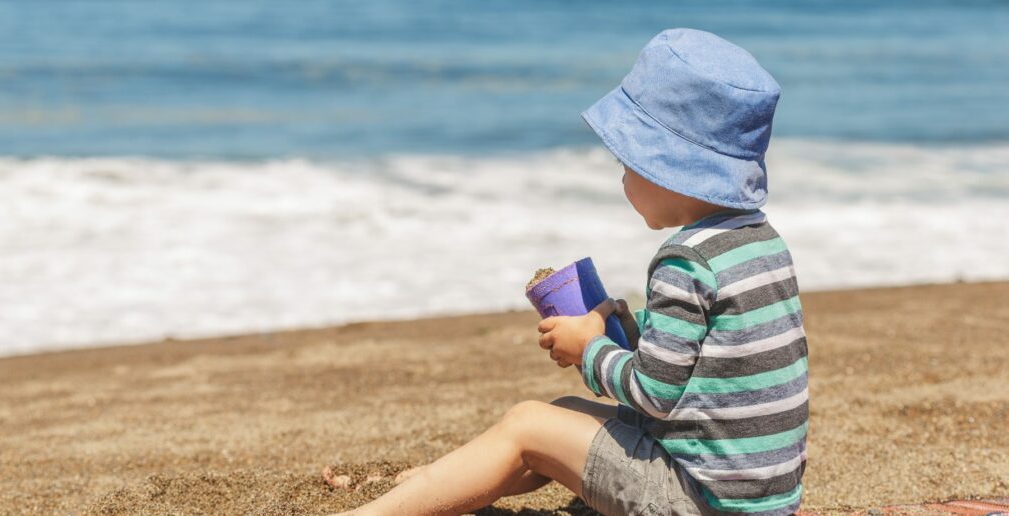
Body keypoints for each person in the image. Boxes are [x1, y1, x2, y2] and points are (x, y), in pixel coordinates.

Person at [331, 27, 807, 515]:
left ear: (666, 167)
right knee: (558, 417)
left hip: (695, 499)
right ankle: (439, 488)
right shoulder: (760, 242)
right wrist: (629, 326)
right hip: (759, 497)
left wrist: (588, 350)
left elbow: (655, 393)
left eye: (627, 162)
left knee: (527, 425)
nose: (622, 176)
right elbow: (715, 353)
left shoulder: (684, 259)